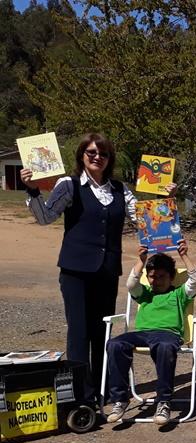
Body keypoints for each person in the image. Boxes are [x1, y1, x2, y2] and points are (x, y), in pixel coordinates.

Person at [20, 133, 138, 406]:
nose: (97, 157)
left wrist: (165, 200)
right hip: (76, 270)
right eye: (91, 153)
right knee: (79, 332)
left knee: (103, 333)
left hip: (107, 270)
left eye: (103, 153)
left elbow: (144, 220)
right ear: (82, 155)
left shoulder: (121, 190)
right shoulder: (69, 185)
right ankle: (79, 395)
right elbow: (45, 216)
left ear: (110, 159)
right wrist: (32, 191)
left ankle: (104, 390)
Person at [105, 240, 196, 426]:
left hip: (168, 334)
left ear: (171, 276)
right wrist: (141, 261)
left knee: (165, 347)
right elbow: (131, 283)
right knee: (115, 344)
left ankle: (164, 401)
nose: (155, 281)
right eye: (151, 276)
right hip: (142, 333)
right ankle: (120, 399)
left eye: (161, 276)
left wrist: (184, 256)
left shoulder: (179, 294)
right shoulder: (146, 293)